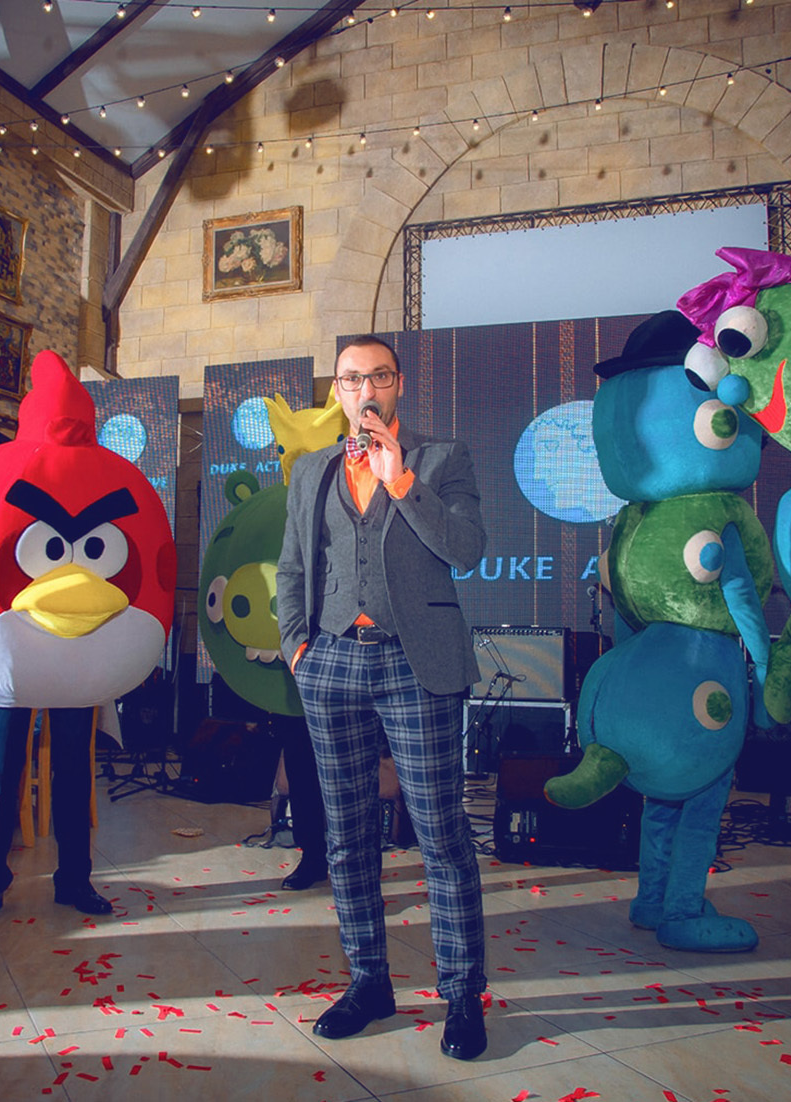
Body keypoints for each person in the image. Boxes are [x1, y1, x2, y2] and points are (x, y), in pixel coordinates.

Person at [276, 335, 490, 1061]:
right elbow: (293, 567)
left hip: (416, 663)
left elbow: (467, 549)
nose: (365, 389)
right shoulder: (311, 471)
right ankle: (369, 982)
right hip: (331, 662)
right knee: (346, 836)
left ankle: (462, 994)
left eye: (378, 376)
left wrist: (402, 482)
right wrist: (298, 649)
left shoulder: (443, 458)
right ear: (336, 390)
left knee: (441, 834)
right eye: (351, 378)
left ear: (398, 385)